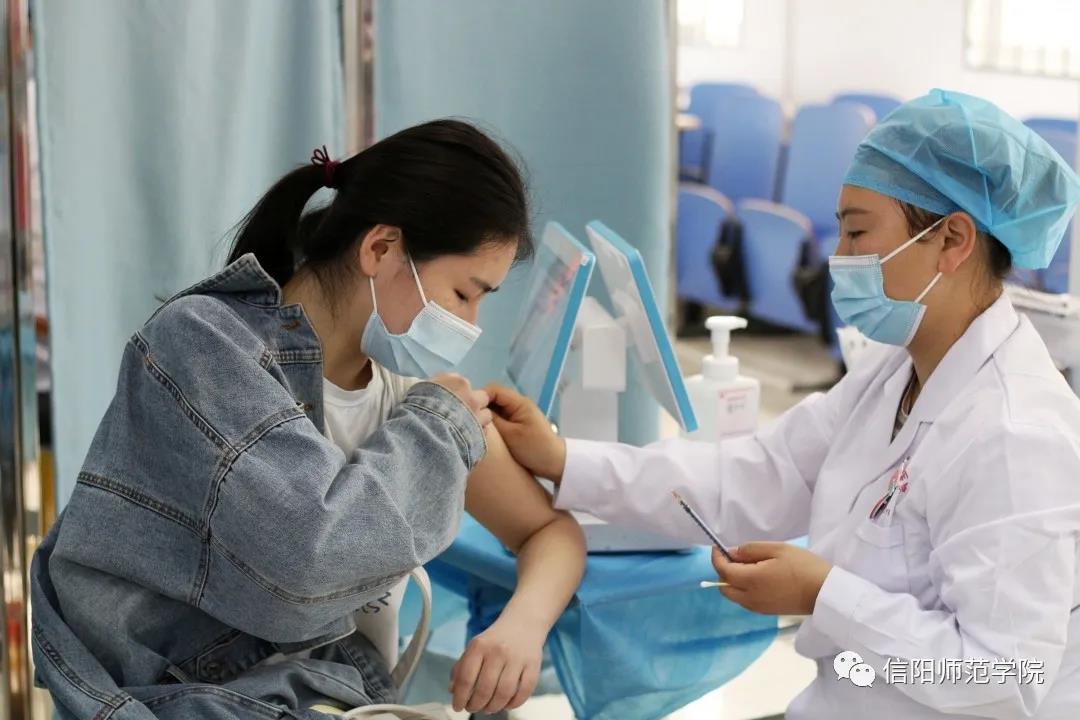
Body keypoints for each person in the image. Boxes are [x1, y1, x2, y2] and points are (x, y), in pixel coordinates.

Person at [486, 89, 1080, 719]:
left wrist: (825, 596)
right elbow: (758, 474)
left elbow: (1002, 678)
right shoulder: (895, 372)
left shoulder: (1015, 435)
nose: (839, 258)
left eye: (857, 232)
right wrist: (564, 459)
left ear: (953, 239)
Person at [31, 120, 585, 719]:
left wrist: (522, 627)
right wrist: (439, 427)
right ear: (380, 249)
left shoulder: (406, 395)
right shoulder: (202, 345)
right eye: (463, 294)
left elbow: (550, 533)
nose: (469, 327)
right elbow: (308, 563)